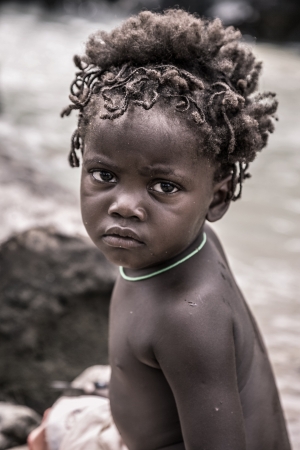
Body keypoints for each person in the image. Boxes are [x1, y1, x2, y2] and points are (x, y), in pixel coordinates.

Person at [29, 9, 291, 450]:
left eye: (164, 186)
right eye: (104, 175)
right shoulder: (177, 246)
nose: (125, 206)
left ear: (218, 197)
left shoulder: (187, 316)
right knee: (57, 422)